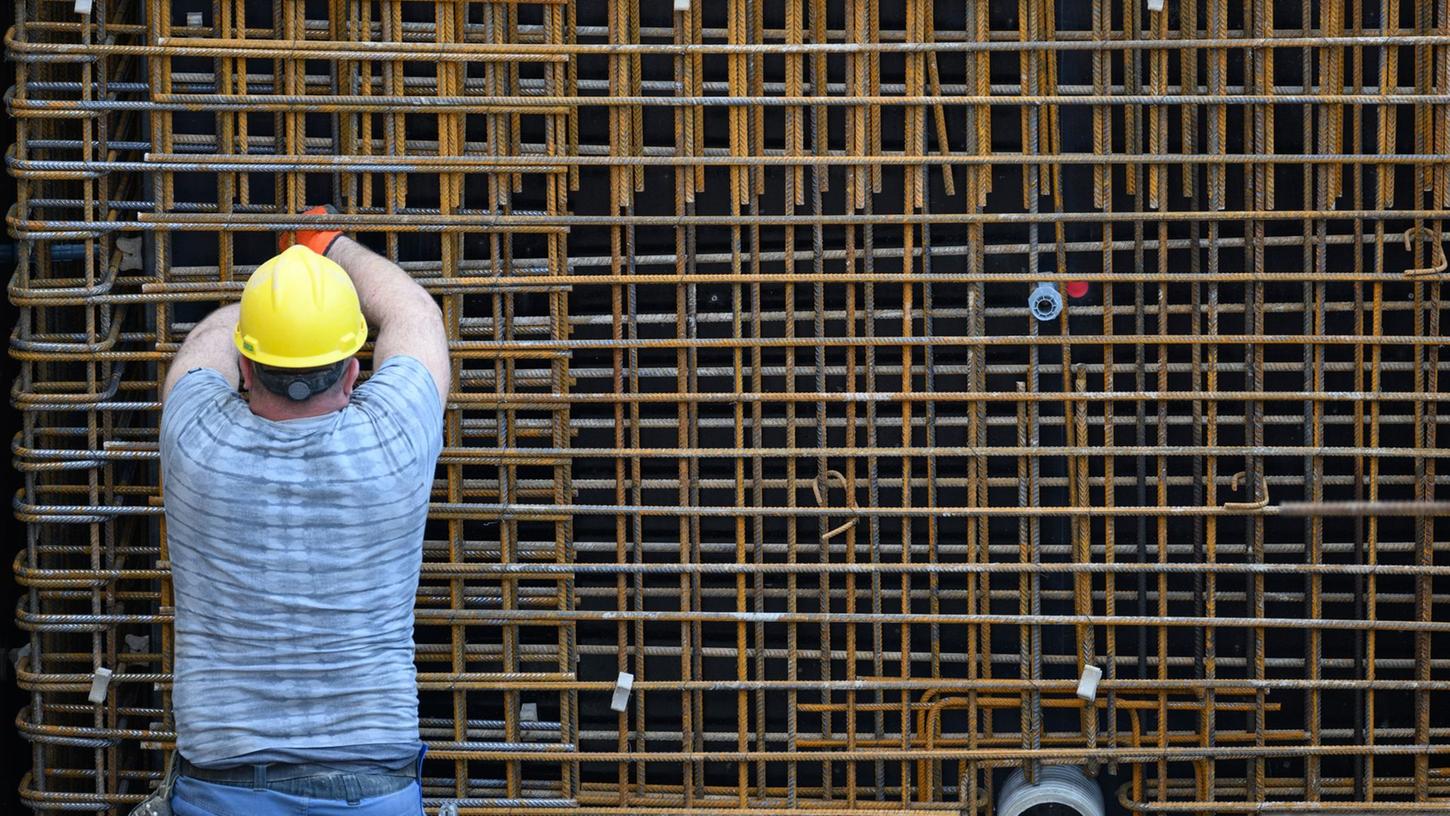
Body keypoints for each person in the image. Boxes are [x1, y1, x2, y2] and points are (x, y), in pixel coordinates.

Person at [157, 210, 448, 816]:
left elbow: (198, 350)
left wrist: (272, 290)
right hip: (372, 788)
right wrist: (323, 247)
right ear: (352, 372)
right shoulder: (393, 437)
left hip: (221, 789)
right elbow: (415, 313)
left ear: (243, 368)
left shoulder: (194, 439)